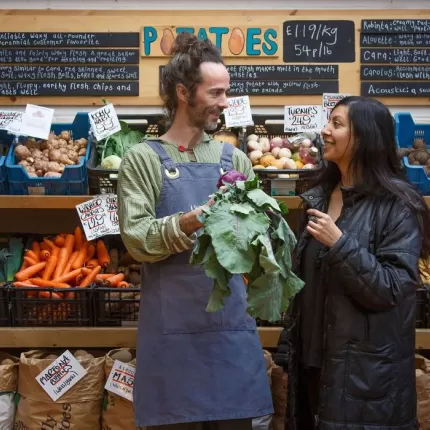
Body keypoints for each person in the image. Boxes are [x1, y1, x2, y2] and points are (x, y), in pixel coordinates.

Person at [117, 32, 273, 430]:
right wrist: (189, 221)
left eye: (227, 92)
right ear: (184, 92)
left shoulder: (235, 158)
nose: (225, 102)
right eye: (216, 93)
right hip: (173, 338)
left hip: (229, 332)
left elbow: (254, 245)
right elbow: (136, 242)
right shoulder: (142, 160)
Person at [275, 96, 430, 429]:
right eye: (328, 122)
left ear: (365, 137)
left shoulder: (399, 206)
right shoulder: (319, 196)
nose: (324, 130)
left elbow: (392, 290)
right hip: (313, 367)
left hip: (365, 379)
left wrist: (340, 243)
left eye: (337, 124)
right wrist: (289, 352)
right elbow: (307, 287)